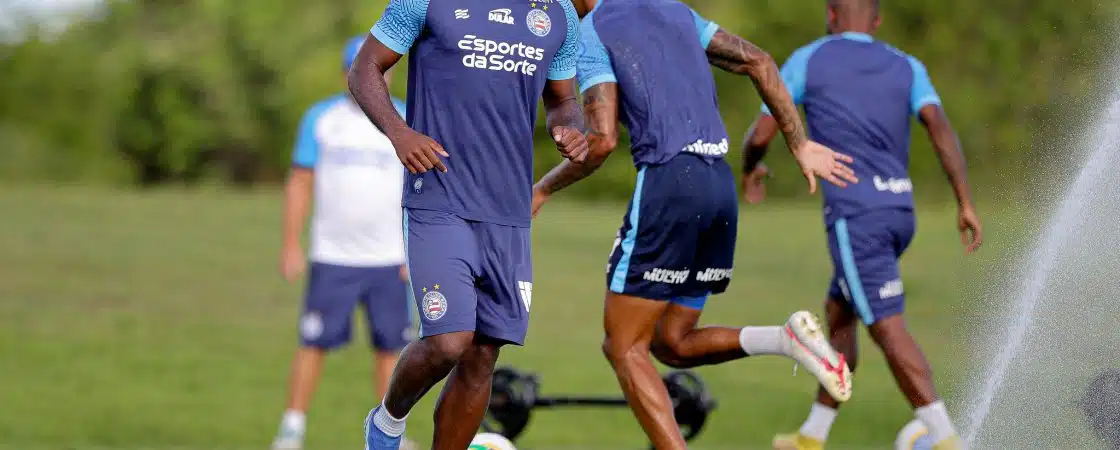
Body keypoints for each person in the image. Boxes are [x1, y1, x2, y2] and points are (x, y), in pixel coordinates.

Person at [530, 0, 859, 448]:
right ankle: (785, 341)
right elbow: (758, 61)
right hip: (717, 185)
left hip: (670, 182)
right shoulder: (677, 12)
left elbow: (603, 140)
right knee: (672, 343)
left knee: (624, 347)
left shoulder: (593, 31)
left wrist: (543, 187)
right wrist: (798, 143)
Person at [739, 1, 983, 449]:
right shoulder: (908, 66)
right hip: (899, 212)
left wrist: (750, 168)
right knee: (839, 313)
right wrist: (964, 202)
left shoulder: (808, 59)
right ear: (876, 21)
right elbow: (940, 128)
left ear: (832, 16)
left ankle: (947, 440)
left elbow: (760, 133)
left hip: (856, 218)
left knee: (886, 327)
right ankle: (812, 437)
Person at [347, 0, 589, 448]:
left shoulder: (559, 14)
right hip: (438, 195)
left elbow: (563, 100)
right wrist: (400, 133)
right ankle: (386, 422)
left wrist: (569, 128)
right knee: (449, 340)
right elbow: (364, 70)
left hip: (508, 211)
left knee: (482, 355)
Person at [271, 36, 415, 450]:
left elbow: (419, 190)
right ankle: (292, 429)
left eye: (384, 70)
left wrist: (414, 251)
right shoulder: (322, 119)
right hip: (333, 256)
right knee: (313, 342)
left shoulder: (405, 119)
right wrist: (290, 245)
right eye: (366, 68)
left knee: (392, 348)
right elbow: (300, 183)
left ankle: (391, 433)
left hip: (390, 259)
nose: (377, 77)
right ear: (348, 74)